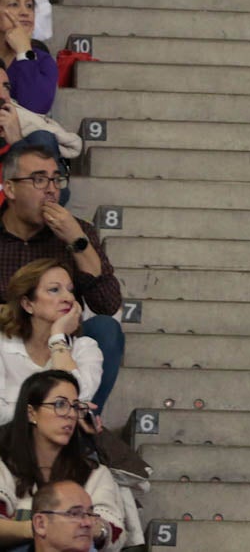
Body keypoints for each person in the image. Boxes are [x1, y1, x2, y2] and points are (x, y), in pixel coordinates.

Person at [0, 147, 121, 411]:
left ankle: (81, 424)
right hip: (6, 341)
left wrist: (78, 242)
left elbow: (108, 304)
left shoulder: (77, 231)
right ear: (9, 189)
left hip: (59, 341)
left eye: (56, 179)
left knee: (106, 329)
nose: (51, 190)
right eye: (39, 179)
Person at [0, 372, 126, 550]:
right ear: (31, 413)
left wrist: (89, 529)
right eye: (60, 404)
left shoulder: (94, 472)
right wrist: (47, 529)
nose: (70, 415)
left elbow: (115, 533)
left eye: (75, 407)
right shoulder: (3, 464)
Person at [0, 262, 101, 424]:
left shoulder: (86, 349)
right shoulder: (2, 344)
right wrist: (53, 411)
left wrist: (57, 336)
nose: (68, 298)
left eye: (70, 290)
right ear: (27, 304)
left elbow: (75, 401)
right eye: (54, 290)